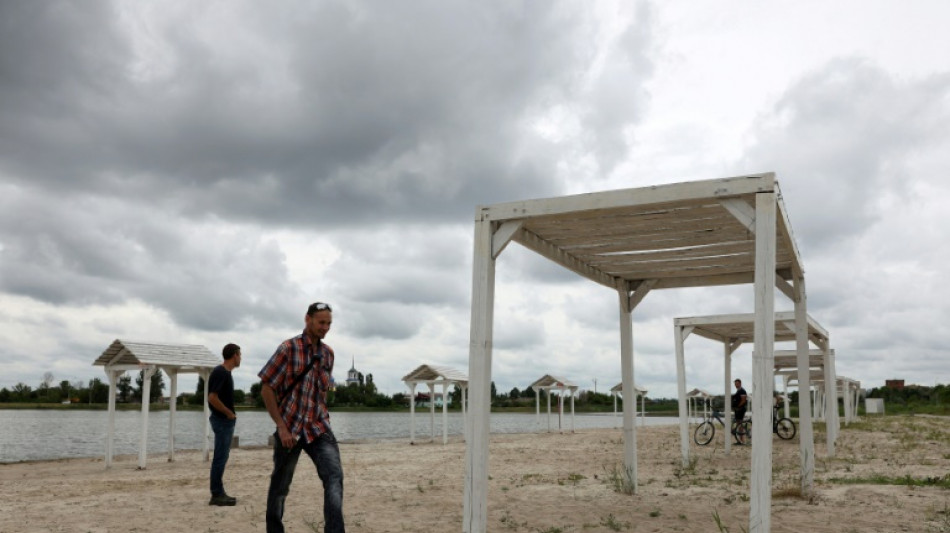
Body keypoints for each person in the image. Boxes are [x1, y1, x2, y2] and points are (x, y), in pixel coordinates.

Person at [259, 302, 345, 533]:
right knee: (280, 485)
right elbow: (267, 388)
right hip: (290, 428)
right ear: (308, 319)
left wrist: (323, 414)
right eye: (321, 322)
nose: (325, 328)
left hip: (318, 428)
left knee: (334, 478)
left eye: (329, 323)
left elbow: (323, 391)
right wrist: (281, 427)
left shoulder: (328, 354)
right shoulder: (288, 349)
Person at [207, 342, 242, 506]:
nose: (240, 358)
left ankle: (219, 492)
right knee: (220, 458)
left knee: (222, 457)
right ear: (235, 355)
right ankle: (217, 494)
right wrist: (228, 413)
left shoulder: (225, 373)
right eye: (240, 355)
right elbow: (212, 398)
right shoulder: (221, 372)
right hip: (222, 421)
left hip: (224, 421)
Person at [731, 378, 748, 445]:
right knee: (738, 424)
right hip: (738, 410)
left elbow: (743, 400)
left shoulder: (742, 391)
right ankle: (740, 440)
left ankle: (742, 440)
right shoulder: (738, 391)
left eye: (737, 383)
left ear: (740, 383)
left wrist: (738, 406)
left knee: (740, 424)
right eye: (735, 384)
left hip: (740, 409)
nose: (736, 385)